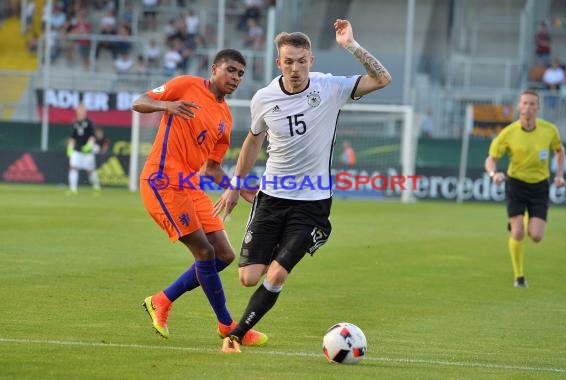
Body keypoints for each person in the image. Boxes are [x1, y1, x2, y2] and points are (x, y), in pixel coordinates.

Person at [213, 19, 392, 352]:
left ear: (311, 61)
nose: (295, 68)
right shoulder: (264, 98)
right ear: (278, 63)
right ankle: (283, 248)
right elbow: (253, 142)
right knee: (249, 277)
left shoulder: (329, 88)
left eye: (301, 60)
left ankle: (236, 334)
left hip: (312, 203)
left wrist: (351, 45)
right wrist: (235, 184)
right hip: (270, 198)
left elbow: (382, 79)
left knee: (277, 274)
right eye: (288, 61)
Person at [132, 49, 267, 346]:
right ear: (214, 68)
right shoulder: (186, 85)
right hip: (162, 180)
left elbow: (212, 167)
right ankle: (227, 325)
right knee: (204, 253)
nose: (235, 77)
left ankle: (161, 300)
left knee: (224, 255)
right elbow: (138, 102)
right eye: (231, 70)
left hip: (190, 185)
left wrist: (238, 186)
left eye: (240, 74)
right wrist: (165, 106)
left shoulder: (225, 116)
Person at [484, 89, 566, 288]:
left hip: (539, 186)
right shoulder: (508, 133)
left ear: (538, 107)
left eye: (532, 104)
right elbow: (491, 159)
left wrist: (559, 175)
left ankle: (521, 220)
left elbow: (559, 150)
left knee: (536, 236)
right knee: (518, 232)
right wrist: (494, 174)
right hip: (516, 184)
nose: (528, 107)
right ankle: (519, 276)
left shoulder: (549, 130)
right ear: (519, 107)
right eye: (524, 103)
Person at [66, 103, 101, 195]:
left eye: (82, 110)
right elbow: (72, 137)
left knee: (90, 171)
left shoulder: (89, 122)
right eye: (79, 109)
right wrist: (70, 147)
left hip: (87, 151)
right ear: (77, 111)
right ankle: (73, 189)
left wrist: (89, 145)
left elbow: (93, 136)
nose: (80, 111)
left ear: (85, 111)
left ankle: (96, 186)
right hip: (77, 149)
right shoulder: (75, 122)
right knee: (73, 168)